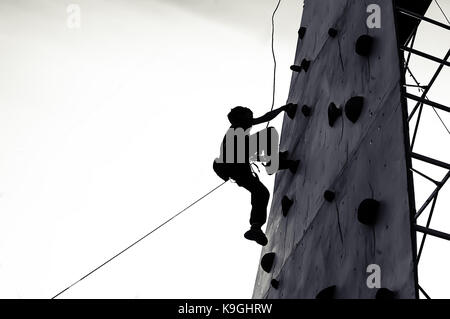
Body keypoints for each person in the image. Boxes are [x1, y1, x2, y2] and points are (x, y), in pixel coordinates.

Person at [213, 104, 295, 246]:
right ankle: (275, 164)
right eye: (248, 115)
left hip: (238, 172)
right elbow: (264, 119)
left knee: (261, 193)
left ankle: (255, 227)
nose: (251, 118)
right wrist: (283, 108)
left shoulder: (234, 132)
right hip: (238, 165)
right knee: (269, 133)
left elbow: (248, 153)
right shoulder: (238, 127)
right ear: (241, 116)